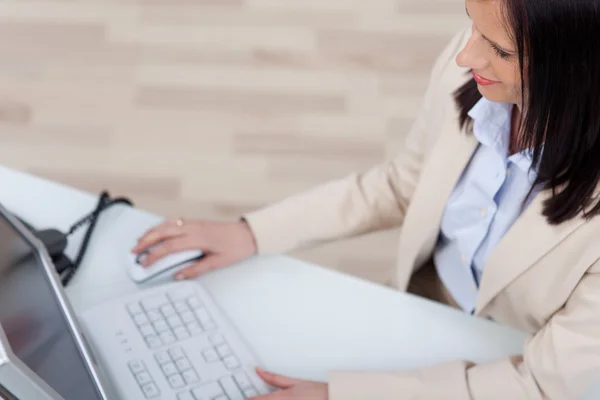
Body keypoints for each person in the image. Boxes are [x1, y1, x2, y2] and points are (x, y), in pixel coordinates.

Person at [131, 0, 600, 398]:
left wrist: (346, 394)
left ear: (578, 67)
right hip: (417, 311)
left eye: (499, 48)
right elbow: (401, 185)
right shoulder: (474, 72)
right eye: (472, 22)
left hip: (510, 363)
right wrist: (252, 232)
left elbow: (539, 381)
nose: (465, 56)